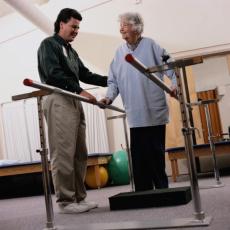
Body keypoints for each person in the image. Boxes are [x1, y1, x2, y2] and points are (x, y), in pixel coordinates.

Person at [37, 8, 107, 214]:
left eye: (78, 27)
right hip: (59, 99)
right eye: (73, 26)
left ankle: (79, 197)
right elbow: (53, 74)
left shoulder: (71, 51)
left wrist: (111, 79)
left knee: (79, 153)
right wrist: (81, 91)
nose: (76, 30)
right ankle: (66, 202)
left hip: (74, 100)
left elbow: (85, 74)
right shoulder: (48, 45)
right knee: (63, 153)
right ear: (61, 24)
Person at [100, 12, 177, 192]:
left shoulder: (152, 46)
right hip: (135, 112)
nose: (121, 29)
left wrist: (174, 84)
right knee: (139, 157)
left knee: (155, 154)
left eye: (125, 25)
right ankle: (143, 192)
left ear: (137, 27)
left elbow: (171, 67)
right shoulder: (119, 53)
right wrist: (109, 97)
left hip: (154, 110)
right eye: (121, 25)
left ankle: (162, 190)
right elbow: (113, 81)